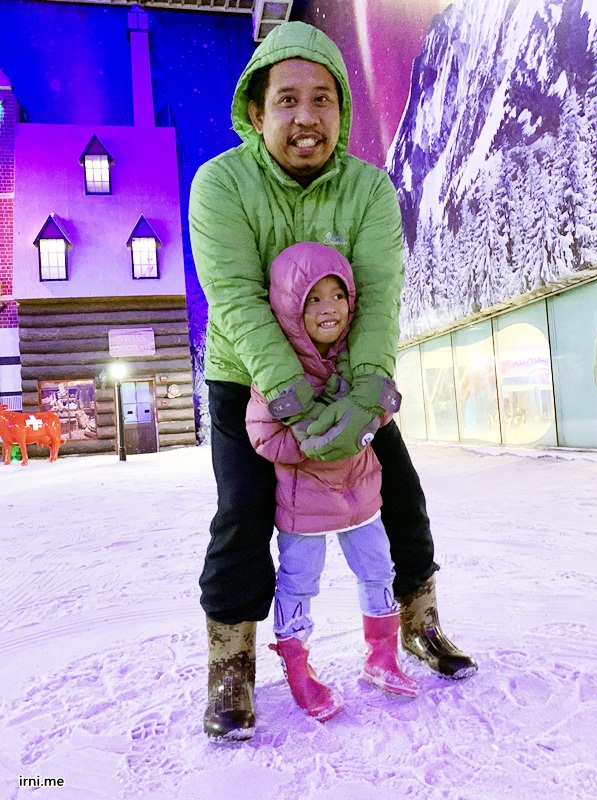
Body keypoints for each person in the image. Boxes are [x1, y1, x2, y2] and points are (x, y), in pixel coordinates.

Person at [189, 21, 477, 743]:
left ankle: (418, 622)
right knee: (244, 512)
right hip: (246, 380)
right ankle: (231, 664)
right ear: (256, 111)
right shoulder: (220, 185)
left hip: (348, 381)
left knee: (400, 495)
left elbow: (378, 296)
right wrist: (292, 401)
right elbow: (236, 299)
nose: (307, 117)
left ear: (341, 110)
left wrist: (365, 393)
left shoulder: (368, 189)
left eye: (323, 98)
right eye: (287, 100)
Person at [246, 242, 419, 721]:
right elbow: (262, 434)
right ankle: (298, 667)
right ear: (290, 308)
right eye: (314, 299)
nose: (329, 308)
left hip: (361, 497)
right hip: (304, 508)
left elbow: (379, 412)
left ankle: (382, 656)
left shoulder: (357, 360)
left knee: (378, 570)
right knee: (299, 583)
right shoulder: (278, 374)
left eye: (338, 296)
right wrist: (313, 443)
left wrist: (368, 415)